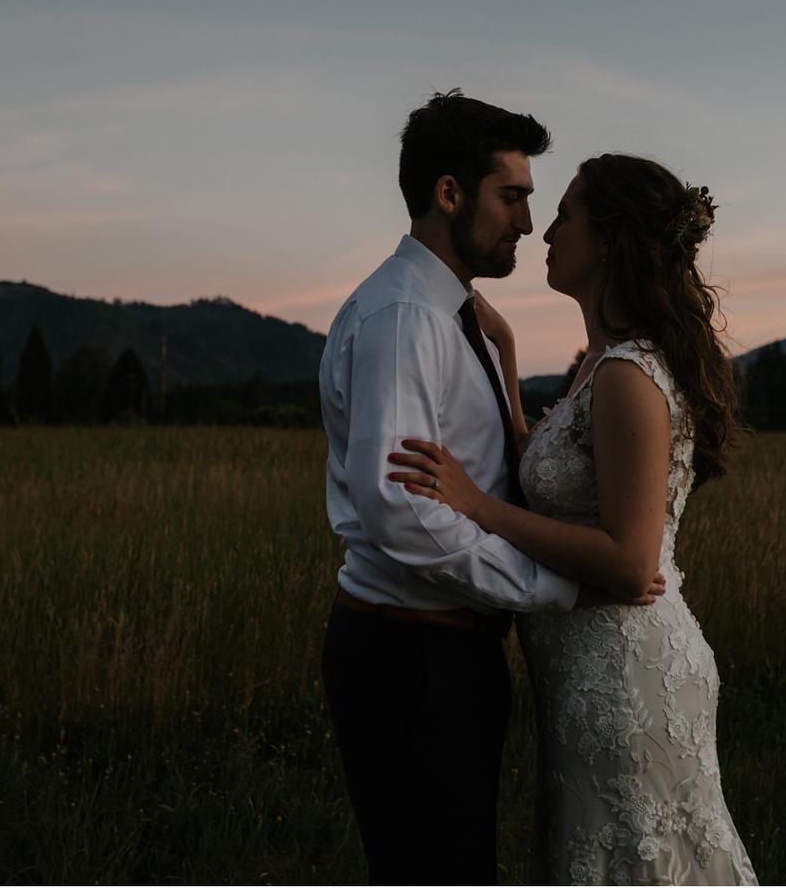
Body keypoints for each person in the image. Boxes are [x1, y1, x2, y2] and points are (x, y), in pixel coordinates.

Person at [318, 92, 665, 885]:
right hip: (410, 653)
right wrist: (551, 589)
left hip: (447, 651)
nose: (527, 222)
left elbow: (489, 464)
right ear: (450, 193)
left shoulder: (455, 316)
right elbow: (402, 512)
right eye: (512, 196)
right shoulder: (404, 318)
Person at [388, 154, 759, 884]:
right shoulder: (600, 362)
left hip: (624, 672)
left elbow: (629, 563)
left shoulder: (628, 375)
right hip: (587, 673)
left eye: (566, 213)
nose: (545, 231)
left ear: (611, 239)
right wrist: (508, 353)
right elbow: (558, 481)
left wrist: (478, 505)